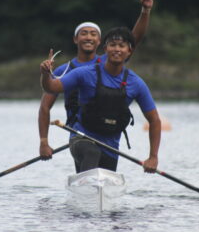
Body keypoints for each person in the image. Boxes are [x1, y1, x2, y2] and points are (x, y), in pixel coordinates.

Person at [39, 0, 154, 160]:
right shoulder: (64, 71)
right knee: (89, 153)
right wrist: (44, 141)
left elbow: (133, 39)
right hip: (78, 134)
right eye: (84, 33)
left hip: (107, 135)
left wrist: (145, 11)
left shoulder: (108, 61)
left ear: (100, 42)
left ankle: (92, 183)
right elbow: (45, 106)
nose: (88, 37)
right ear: (75, 39)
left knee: (100, 164)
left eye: (93, 34)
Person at [40, 26, 161, 173]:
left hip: (111, 145)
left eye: (122, 46)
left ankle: (86, 190)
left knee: (104, 173)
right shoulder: (83, 73)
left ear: (129, 51)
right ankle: (87, 188)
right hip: (81, 137)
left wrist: (153, 157)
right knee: (91, 153)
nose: (117, 49)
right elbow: (51, 87)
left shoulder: (136, 83)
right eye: (112, 45)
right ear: (105, 49)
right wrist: (46, 74)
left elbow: (154, 120)